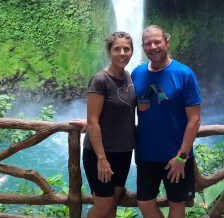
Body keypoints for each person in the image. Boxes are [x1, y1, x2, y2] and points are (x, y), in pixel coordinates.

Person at [132, 25, 202, 218]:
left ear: (167, 42)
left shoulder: (184, 74)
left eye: (157, 42)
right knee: (145, 203)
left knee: (176, 204)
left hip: (176, 156)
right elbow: (123, 109)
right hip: (146, 155)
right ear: (143, 47)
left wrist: (181, 157)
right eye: (148, 43)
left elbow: (194, 120)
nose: (153, 47)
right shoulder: (136, 73)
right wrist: (92, 121)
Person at [71, 32, 137, 218]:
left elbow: (116, 112)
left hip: (123, 152)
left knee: (112, 206)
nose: (122, 53)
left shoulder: (130, 78)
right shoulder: (100, 80)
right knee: (103, 206)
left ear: (132, 52)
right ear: (109, 51)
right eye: (117, 49)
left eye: (127, 49)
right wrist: (102, 159)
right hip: (100, 154)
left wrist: (95, 120)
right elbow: (93, 120)